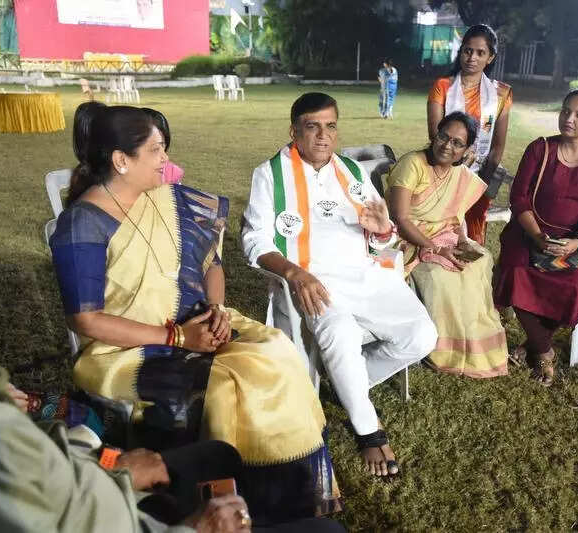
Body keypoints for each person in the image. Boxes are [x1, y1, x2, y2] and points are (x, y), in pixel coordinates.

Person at [0, 151, 254, 532]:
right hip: (117, 512)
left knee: (219, 456)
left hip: (96, 480)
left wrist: (110, 465)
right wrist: (198, 528)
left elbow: (49, 467)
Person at [49, 105, 341, 524]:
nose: (166, 160)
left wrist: (216, 310)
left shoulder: (168, 199)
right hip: (130, 349)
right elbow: (87, 321)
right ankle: (236, 502)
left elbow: (210, 264)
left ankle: (285, 498)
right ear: (121, 161)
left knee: (277, 353)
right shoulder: (82, 224)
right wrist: (179, 338)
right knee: (228, 384)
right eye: (156, 150)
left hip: (199, 321)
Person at [241, 92, 437, 478]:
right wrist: (295, 273)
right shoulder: (270, 174)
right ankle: (368, 430)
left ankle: (347, 382)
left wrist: (381, 232)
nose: (323, 135)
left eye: (330, 126)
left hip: (366, 276)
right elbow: (254, 240)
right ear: (294, 131)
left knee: (422, 336)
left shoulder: (351, 170)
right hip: (313, 281)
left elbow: (380, 237)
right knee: (341, 334)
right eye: (312, 126)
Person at [493, 88, 578, 386]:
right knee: (515, 271)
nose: (569, 119)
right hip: (531, 233)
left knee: (577, 281)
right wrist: (538, 237)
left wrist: (576, 241)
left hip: (577, 241)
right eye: (565, 111)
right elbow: (519, 199)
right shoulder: (540, 149)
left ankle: (531, 344)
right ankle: (544, 350)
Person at [386, 111, 508, 378]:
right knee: (441, 275)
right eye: (443, 137)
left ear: (466, 150)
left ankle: (473, 342)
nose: (447, 146)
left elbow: (456, 214)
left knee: (479, 261)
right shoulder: (412, 164)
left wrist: (462, 240)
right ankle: (443, 350)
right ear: (435, 134)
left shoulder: (457, 172)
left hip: (445, 235)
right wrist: (436, 248)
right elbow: (400, 218)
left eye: (457, 143)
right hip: (408, 239)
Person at [426, 24, 513, 246]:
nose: (472, 57)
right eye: (468, 50)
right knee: (441, 234)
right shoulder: (443, 87)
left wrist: (482, 182)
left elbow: (497, 146)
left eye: (480, 53)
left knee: (471, 240)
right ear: (461, 51)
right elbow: (435, 135)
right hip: (441, 173)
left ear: (490, 57)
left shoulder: (502, 94)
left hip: (479, 178)